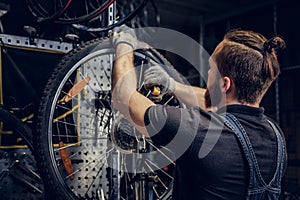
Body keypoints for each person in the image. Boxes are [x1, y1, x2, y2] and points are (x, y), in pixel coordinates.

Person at [111, 26, 287, 200]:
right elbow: (215, 104)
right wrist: (173, 86)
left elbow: (123, 97)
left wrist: (125, 44)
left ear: (224, 84)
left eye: (211, 69)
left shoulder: (197, 130)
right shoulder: (276, 137)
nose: (208, 74)